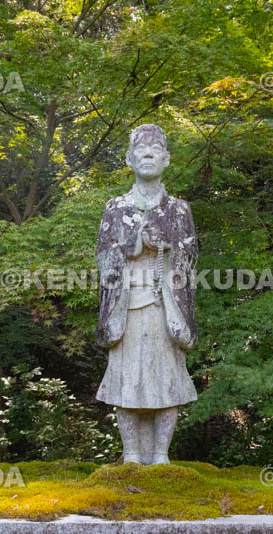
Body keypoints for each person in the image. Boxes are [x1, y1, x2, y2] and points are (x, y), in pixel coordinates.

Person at [95, 124, 198, 465]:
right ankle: (131, 454)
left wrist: (167, 249)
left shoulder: (179, 210)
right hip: (128, 307)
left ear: (167, 159)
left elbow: (191, 258)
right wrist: (132, 246)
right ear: (129, 158)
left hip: (164, 304)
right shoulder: (116, 208)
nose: (149, 153)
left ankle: (161, 455)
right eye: (141, 148)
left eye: (156, 148)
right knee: (127, 380)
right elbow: (104, 256)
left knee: (167, 380)